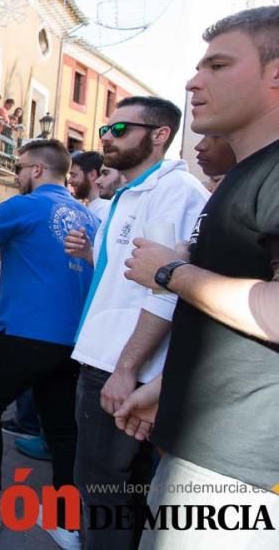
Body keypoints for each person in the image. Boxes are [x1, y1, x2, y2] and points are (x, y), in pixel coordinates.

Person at [121, 6, 279, 549]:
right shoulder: (247, 175)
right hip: (208, 456)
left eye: (217, 65)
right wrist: (168, 389)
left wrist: (170, 271)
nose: (193, 81)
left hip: (240, 477)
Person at [65, 96, 209, 550]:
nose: (106, 137)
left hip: (124, 368)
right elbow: (128, 278)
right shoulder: (130, 193)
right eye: (105, 130)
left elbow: (166, 289)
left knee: (107, 490)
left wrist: (127, 370)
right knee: (106, 487)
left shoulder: (173, 192)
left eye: (120, 129)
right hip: (109, 358)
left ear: (160, 135)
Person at [0, 139, 97, 550]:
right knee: (63, 429)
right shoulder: (89, 216)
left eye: (19, 168)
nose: (16, 175)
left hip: (25, 334)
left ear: (35, 170)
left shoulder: (23, 206)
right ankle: (67, 524)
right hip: (73, 343)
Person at [67, 150, 111, 222]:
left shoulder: (105, 209)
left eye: (74, 175)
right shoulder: (92, 207)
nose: (69, 181)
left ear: (92, 175)